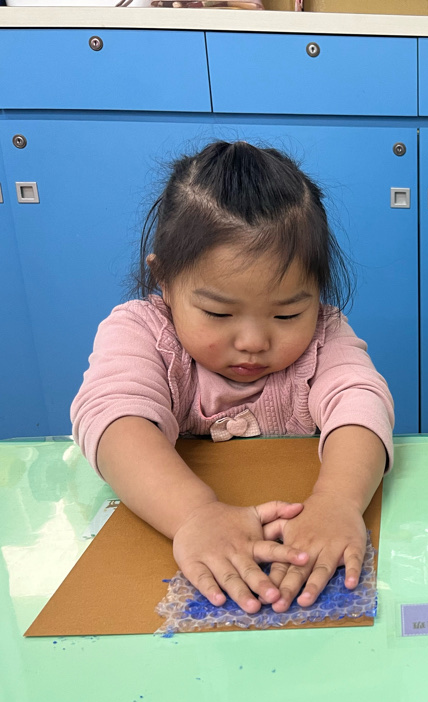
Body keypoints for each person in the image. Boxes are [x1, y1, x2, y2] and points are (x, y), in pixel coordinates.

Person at [72, 140, 394, 614]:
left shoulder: (325, 336)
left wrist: (338, 501)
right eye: (219, 313)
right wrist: (194, 514)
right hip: (161, 543)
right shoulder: (140, 331)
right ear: (164, 279)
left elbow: (361, 401)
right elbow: (114, 419)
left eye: (287, 315)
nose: (253, 342)